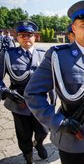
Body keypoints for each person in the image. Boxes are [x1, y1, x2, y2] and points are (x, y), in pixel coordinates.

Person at [24, 0, 84, 164]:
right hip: (72, 132)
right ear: (73, 27)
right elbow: (32, 93)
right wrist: (58, 122)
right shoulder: (58, 56)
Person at [0, 20, 48, 164]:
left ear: (35, 37)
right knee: (24, 135)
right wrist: (5, 91)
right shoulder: (8, 54)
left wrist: (52, 99)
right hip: (18, 102)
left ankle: (38, 143)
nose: (26, 38)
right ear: (17, 37)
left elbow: (50, 79)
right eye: (22, 35)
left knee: (43, 131)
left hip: (40, 103)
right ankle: (28, 158)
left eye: (29, 35)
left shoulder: (43, 54)